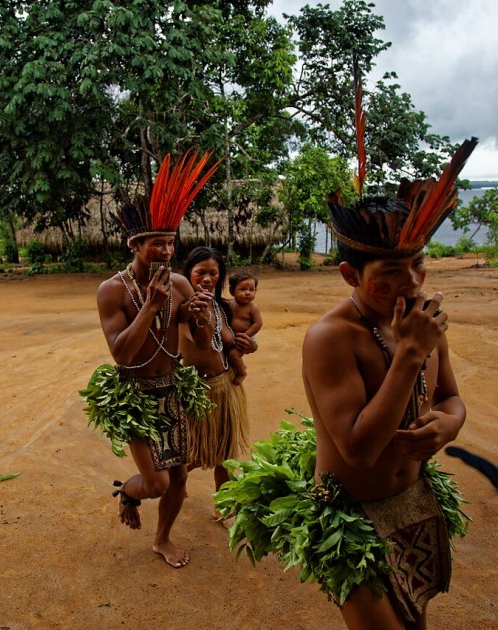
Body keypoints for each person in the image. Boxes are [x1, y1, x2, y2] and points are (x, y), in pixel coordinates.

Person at [215, 131, 479, 626]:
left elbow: (450, 397)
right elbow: (358, 447)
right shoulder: (330, 338)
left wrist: (449, 424)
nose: (412, 283)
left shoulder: (424, 319)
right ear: (349, 274)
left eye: (418, 265)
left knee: (415, 620)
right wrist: (408, 355)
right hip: (348, 514)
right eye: (392, 271)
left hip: (414, 502)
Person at [82, 150, 220, 568]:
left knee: (180, 476)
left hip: (173, 391)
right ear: (135, 244)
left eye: (171, 242)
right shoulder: (112, 290)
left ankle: (161, 539)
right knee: (157, 482)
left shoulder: (179, 282)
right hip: (136, 396)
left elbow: (201, 341)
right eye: (157, 243)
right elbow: (121, 355)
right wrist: (149, 307)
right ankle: (128, 490)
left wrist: (201, 317)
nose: (166, 249)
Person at [179, 247, 256, 521]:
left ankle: (222, 506)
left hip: (225, 388)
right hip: (198, 392)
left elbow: (230, 346)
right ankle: (175, 481)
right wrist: (196, 312)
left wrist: (250, 345)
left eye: (214, 273)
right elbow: (197, 344)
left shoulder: (222, 307)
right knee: (196, 454)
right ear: (188, 274)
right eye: (201, 272)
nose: (208, 278)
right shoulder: (181, 310)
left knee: (224, 455)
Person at [228, 271, 262, 366]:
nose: (247, 293)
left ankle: (241, 371)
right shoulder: (230, 304)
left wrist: (246, 335)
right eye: (242, 289)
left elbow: (258, 324)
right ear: (232, 291)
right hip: (234, 337)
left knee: (233, 355)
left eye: (251, 290)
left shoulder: (252, 307)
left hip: (247, 337)